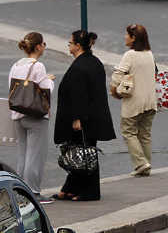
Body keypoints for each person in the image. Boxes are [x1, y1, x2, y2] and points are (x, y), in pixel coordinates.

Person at [52, 31, 115, 201]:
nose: (69, 46)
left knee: (84, 154)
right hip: (91, 117)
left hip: (83, 119)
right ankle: (70, 188)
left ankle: (90, 191)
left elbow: (80, 94)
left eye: (70, 43)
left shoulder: (82, 65)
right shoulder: (92, 62)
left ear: (78, 46)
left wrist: (77, 118)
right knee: (80, 152)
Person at [8, 32, 54, 201]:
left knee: (23, 154)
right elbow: (45, 90)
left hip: (18, 114)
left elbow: (12, 87)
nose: (44, 47)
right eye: (43, 44)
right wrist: (50, 80)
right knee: (35, 155)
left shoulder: (16, 65)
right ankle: (33, 193)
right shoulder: (38, 66)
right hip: (35, 115)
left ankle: (20, 192)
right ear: (38, 46)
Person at [110, 24, 157, 177]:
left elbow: (118, 74)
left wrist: (114, 89)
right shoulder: (149, 54)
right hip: (150, 101)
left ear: (133, 38)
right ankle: (146, 165)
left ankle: (141, 163)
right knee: (145, 134)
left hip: (134, 102)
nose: (125, 37)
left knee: (128, 132)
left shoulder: (130, 55)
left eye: (127, 35)